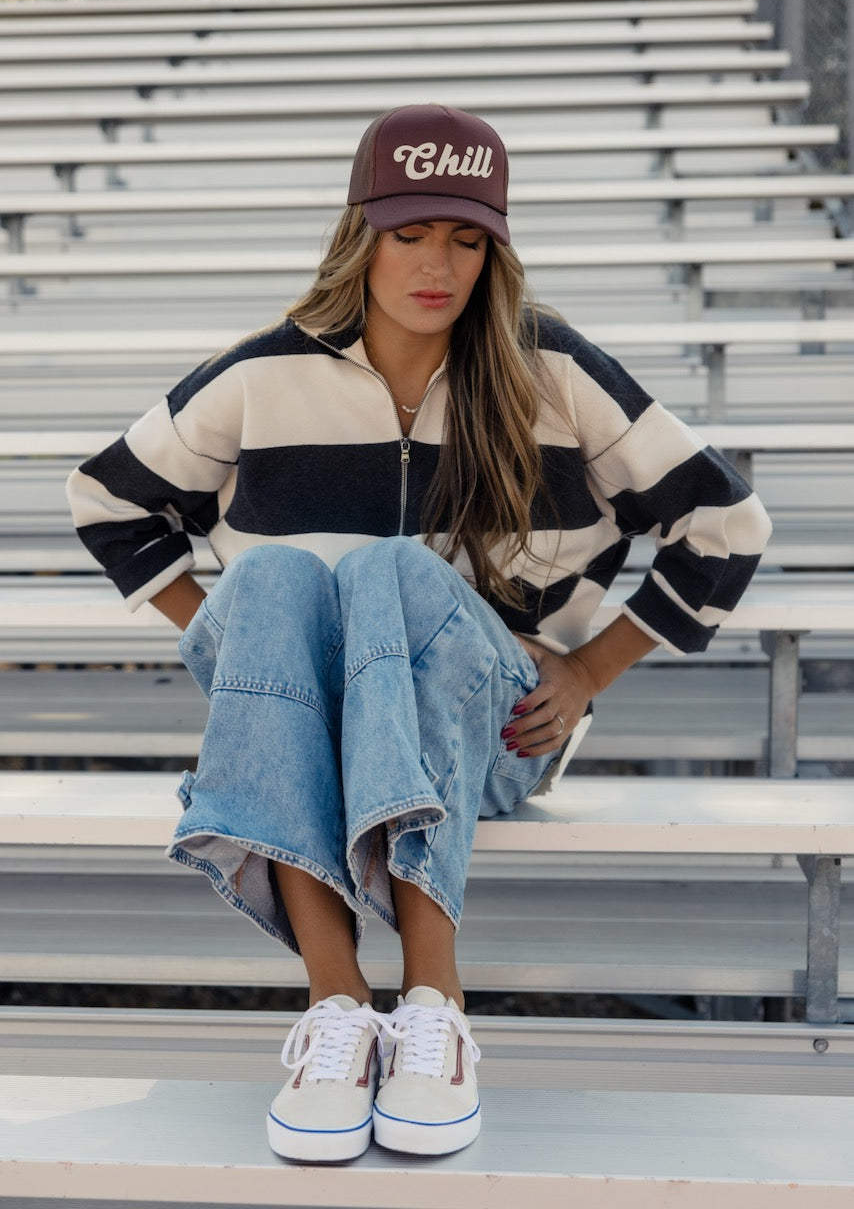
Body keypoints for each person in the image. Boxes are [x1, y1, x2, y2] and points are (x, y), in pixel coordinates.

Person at [67, 102, 772, 1164]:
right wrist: (239, 643)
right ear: (362, 232)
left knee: (393, 569)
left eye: (464, 236)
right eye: (410, 233)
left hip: (486, 734)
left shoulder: (551, 368)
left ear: (494, 247)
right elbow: (107, 499)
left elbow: (725, 520)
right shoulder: (263, 373)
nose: (436, 263)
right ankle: (339, 1011)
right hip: (307, 742)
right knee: (268, 587)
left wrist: (587, 666)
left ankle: (433, 1002)